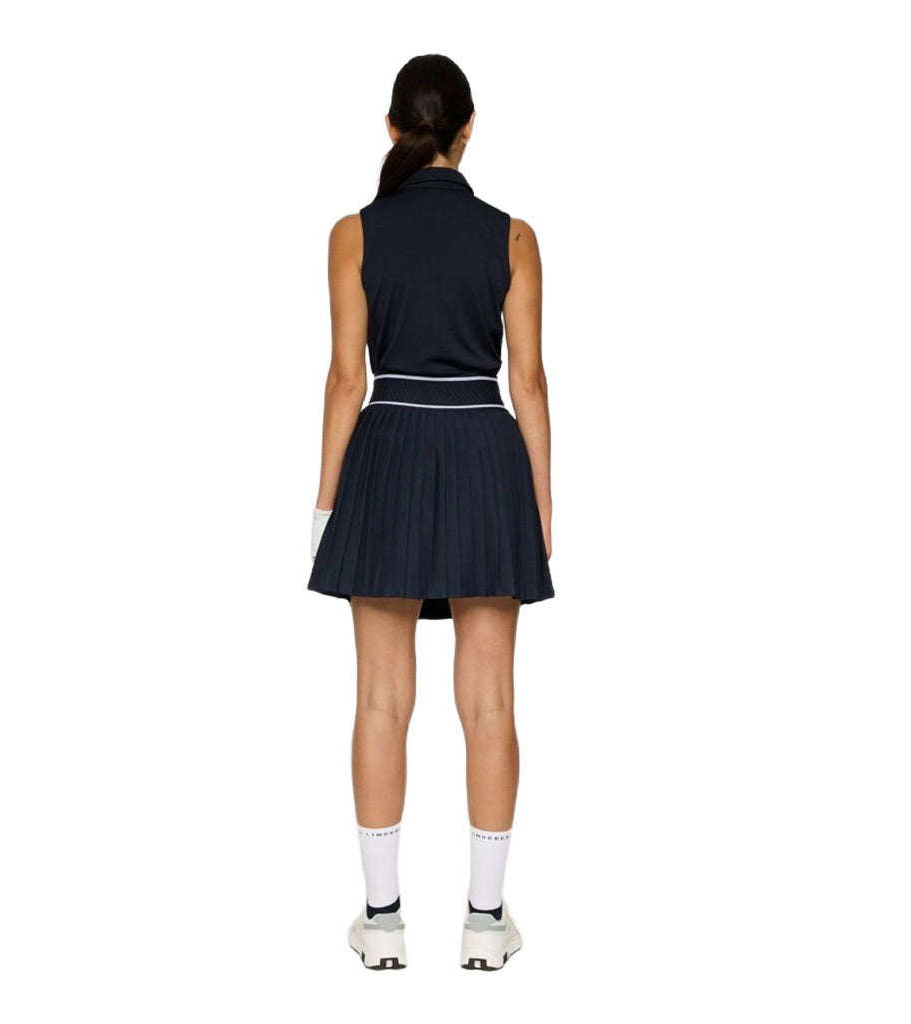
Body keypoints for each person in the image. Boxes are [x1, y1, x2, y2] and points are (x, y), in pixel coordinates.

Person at [307, 54, 554, 971]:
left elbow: (346, 379)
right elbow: (529, 383)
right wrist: (539, 509)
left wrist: (326, 506)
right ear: (469, 126)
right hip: (487, 456)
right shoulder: (514, 236)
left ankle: (383, 924)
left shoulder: (354, 233)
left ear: (390, 128)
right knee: (490, 701)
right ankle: (485, 926)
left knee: (381, 698)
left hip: (389, 455)